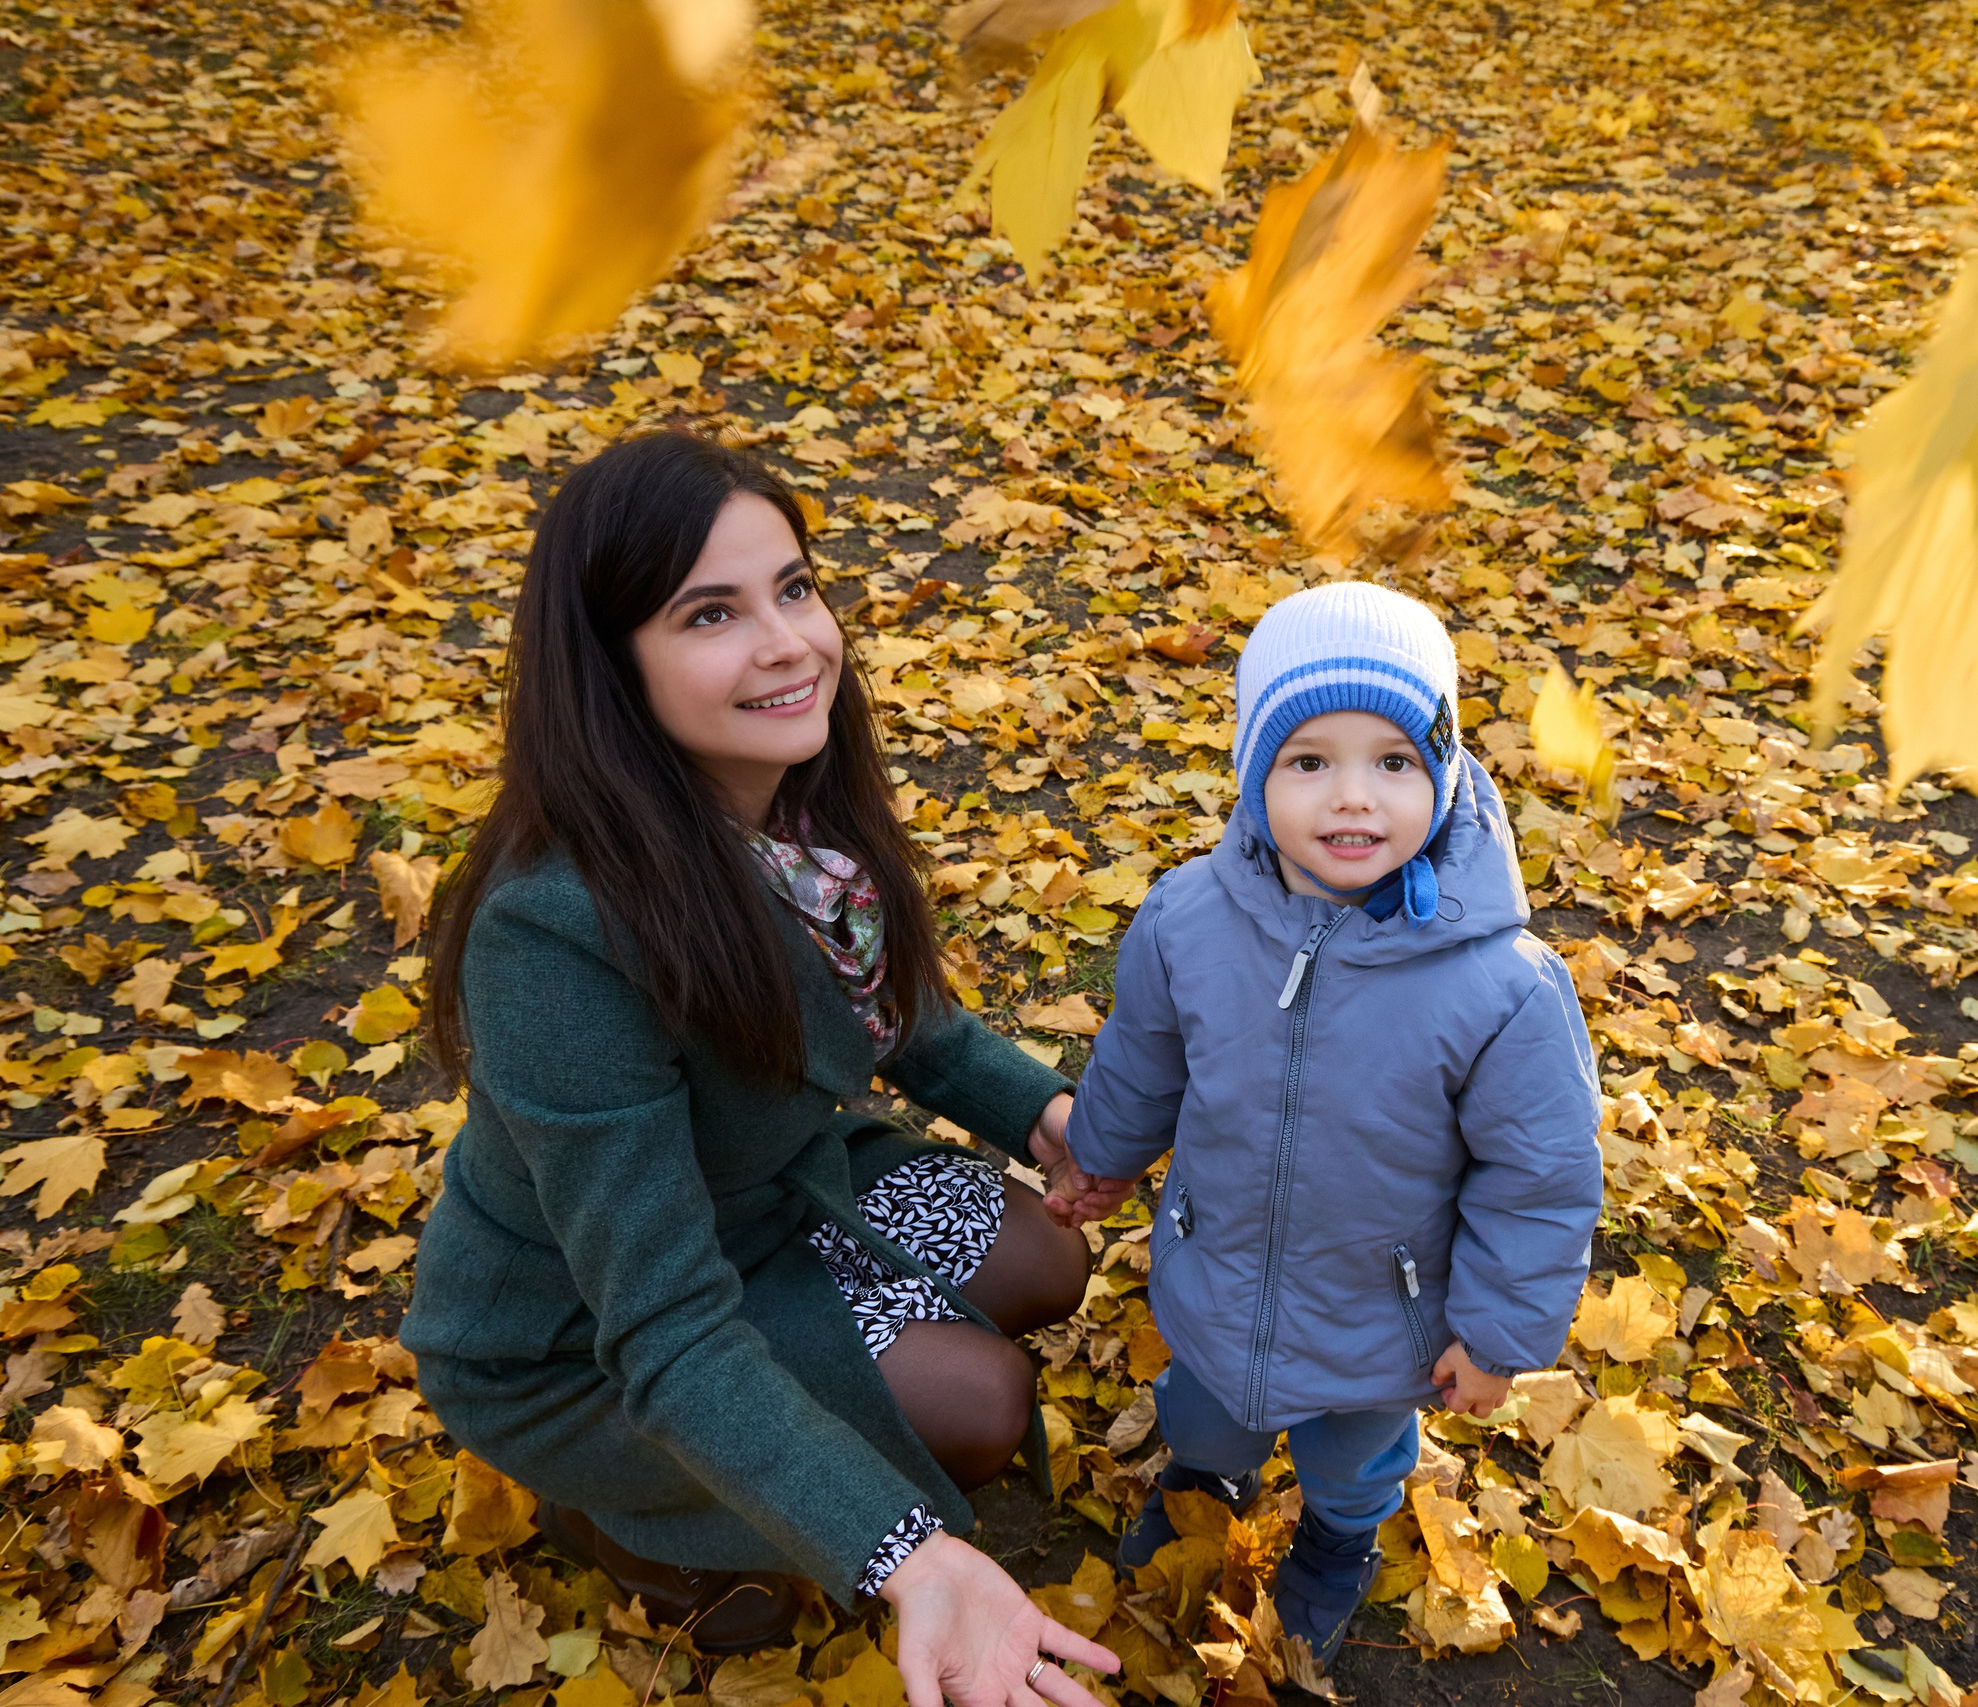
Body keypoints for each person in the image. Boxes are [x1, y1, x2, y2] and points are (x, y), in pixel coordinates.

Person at [402, 429, 1132, 1707]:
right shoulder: (552, 932)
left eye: (795, 587)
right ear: (613, 667)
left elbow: (911, 1024)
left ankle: (791, 1434)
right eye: (711, 613)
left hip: (770, 1195)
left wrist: (1050, 1116)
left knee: (1045, 1257)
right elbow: (667, 1322)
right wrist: (909, 1558)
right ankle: (619, 1521)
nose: (791, 642)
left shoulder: (789, 803)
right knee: (978, 1405)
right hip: (587, 1332)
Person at [1065, 581, 1605, 1665]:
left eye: (1393, 761)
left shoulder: (1503, 988)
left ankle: (1338, 1542)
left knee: (1354, 1458)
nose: (1352, 798)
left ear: (1442, 774)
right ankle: (1202, 1483)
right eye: (1308, 760)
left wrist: (1496, 1336)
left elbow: (1537, 1176)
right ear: (1253, 774)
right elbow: (1142, 1055)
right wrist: (1101, 1158)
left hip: (1382, 1320)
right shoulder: (1187, 920)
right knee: (1206, 1410)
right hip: (1216, 1276)